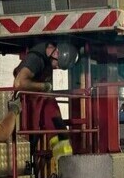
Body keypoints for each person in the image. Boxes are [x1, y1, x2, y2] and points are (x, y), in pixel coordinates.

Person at [13, 40, 77, 168]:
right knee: (29, 143)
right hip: (29, 105)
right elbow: (18, 83)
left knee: (59, 131)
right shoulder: (35, 59)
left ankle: (65, 166)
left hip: (41, 101)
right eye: (58, 64)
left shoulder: (48, 56)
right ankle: (32, 168)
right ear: (57, 53)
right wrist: (44, 86)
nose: (57, 68)